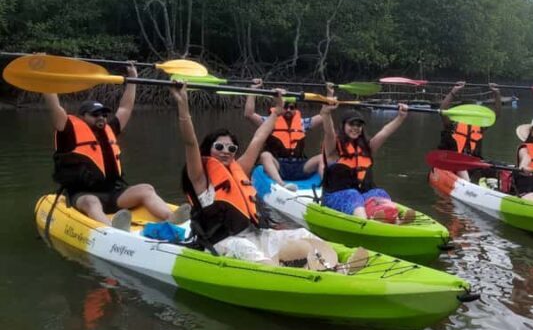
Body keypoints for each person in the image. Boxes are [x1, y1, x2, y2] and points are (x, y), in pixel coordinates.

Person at [172, 83, 341, 268]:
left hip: (255, 235)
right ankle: (284, 273)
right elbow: (190, 143)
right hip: (224, 241)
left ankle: (333, 264)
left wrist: (276, 112)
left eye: (231, 148)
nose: (225, 151)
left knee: (301, 233)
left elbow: (259, 138)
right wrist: (183, 106)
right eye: (219, 147)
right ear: (208, 149)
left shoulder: (239, 169)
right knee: (246, 248)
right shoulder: (200, 178)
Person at [47, 62, 189, 230]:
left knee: (146, 188)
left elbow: (125, 107)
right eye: (95, 115)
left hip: (113, 194)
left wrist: (132, 79)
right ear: (82, 116)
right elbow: (55, 108)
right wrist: (45, 77)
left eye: (104, 115)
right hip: (82, 195)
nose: (101, 118)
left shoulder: (110, 129)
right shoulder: (68, 131)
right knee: (91, 202)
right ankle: (113, 229)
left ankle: (172, 219)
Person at [319, 103, 415, 224]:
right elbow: (329, 132)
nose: (355, 127)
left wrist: (400, 117)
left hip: (361, 195)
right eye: (351, 124)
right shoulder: (333, 149)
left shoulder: (367, 148)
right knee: (353, 195)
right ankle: (367, 223)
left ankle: (395, 221)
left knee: (379, 192)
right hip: (335, 196)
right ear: (343, 125)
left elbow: (384, 133)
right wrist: (326, 113)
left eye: (358, 125)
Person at [244, 82, 334, 187]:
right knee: (265, 155)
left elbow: (324, 115)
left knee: (321, 157)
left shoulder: (302, 123)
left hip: (300, 166)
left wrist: (329, 94)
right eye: (285, 107)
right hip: (278, 165)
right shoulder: (269, 122)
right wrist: (253, 90)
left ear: (296, 110)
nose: (288, 110)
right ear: (280, 106)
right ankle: (281, 184)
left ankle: (328, 187)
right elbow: (249, 114)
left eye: (292, 108)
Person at [438, 81, 501, 180]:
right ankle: (466, 181)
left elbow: (496, 116)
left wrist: (497, 94)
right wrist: (453, 92)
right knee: (461, 169)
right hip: (453, 162)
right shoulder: (452, 124)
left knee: (495, 168)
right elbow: (443, 111)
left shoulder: (479, 126)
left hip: (472, 163)